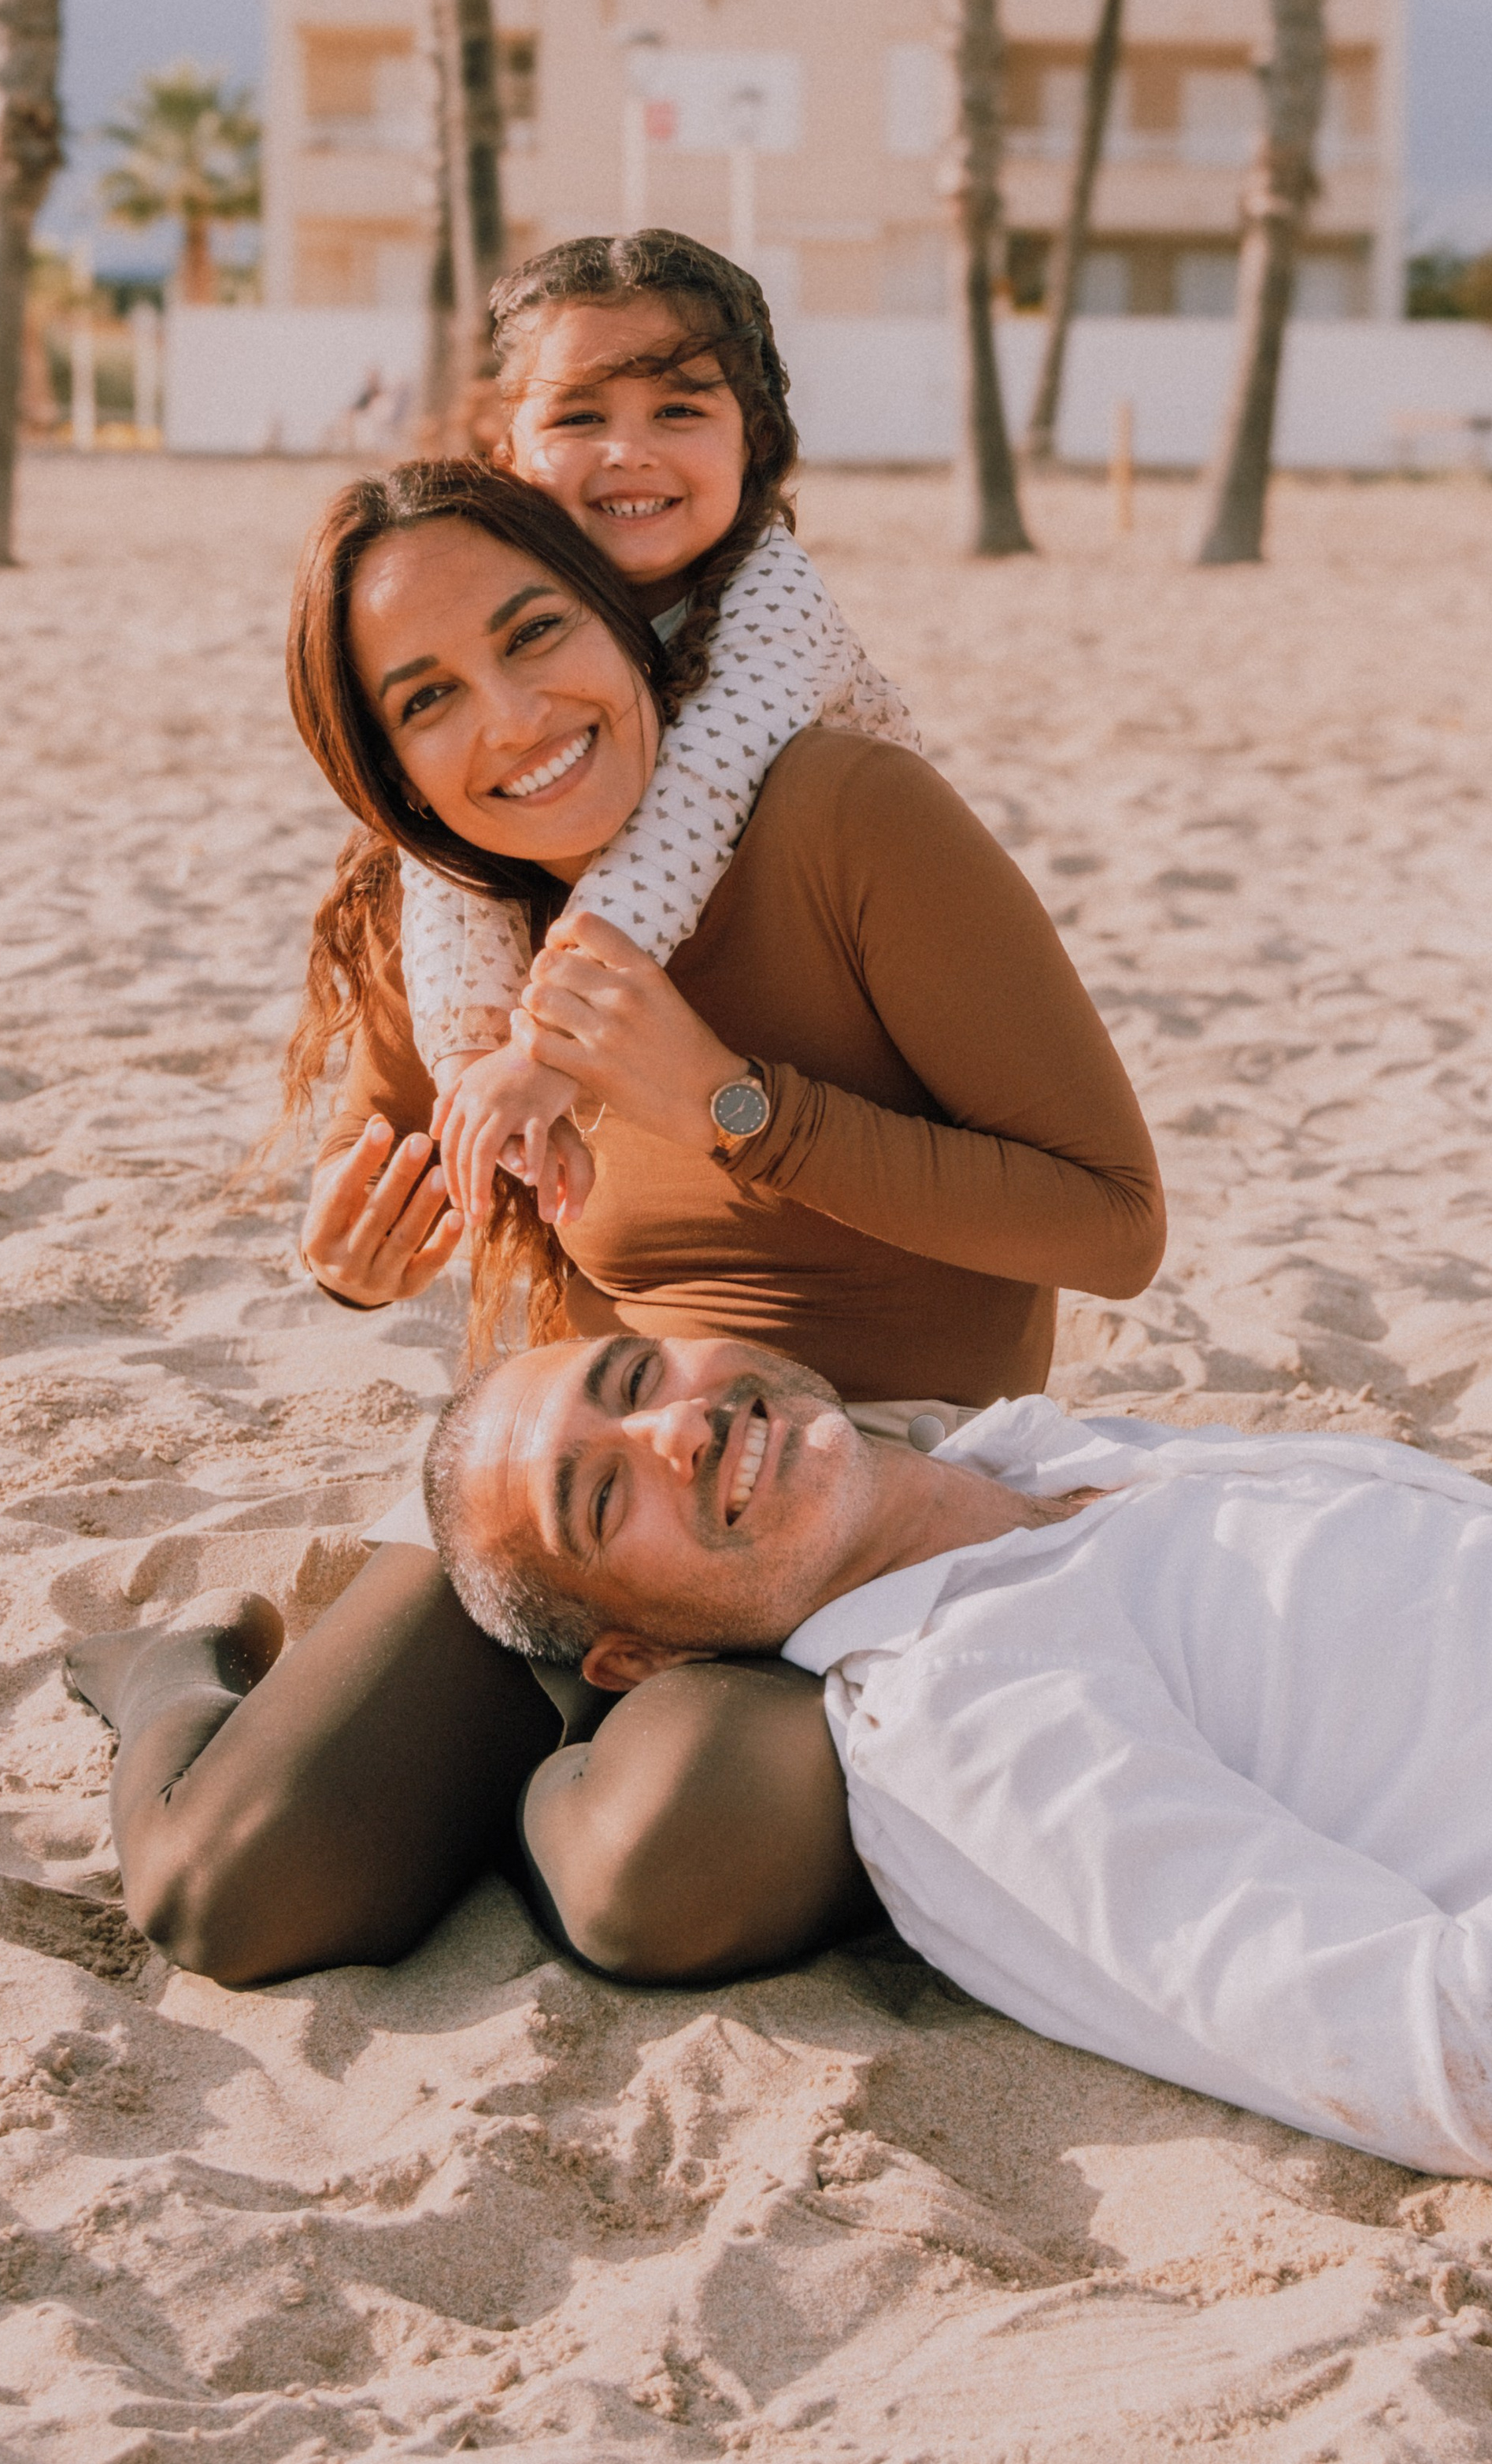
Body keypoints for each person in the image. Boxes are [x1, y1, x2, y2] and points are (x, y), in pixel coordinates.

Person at [65, 462, 1162, 1990]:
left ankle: (528, 1777)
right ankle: (185, 1668)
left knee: (670, 1870)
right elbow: (375, 1171)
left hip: (856, 1490)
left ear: (627, 625)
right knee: (228, 1895)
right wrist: (345, 1264)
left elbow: (1111, 1227)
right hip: (577, 1503)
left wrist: (731, 1103)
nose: (510, 720)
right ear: (388, 765)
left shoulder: (845, 813)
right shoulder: (448, 929)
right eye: (428, 698)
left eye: (534, 636)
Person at [419, 1331, 1492, 2188]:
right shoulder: (960, 1728)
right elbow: (1476, 2071)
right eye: (596, 1495)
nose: (673, 1431)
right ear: (637, 1659)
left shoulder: (1048, 1461)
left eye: (636, 1380)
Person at [404, 228, 920, 1228]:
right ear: (505, 449)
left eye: (679, 410)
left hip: (840, 970)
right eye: (579, 415)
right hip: (669, 967)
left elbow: (698, 796)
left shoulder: (773, 596)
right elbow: (438, 849)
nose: (627, 450)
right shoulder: (515, 595)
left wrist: (544, 1046)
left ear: (753, 440)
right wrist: (473, 1064)